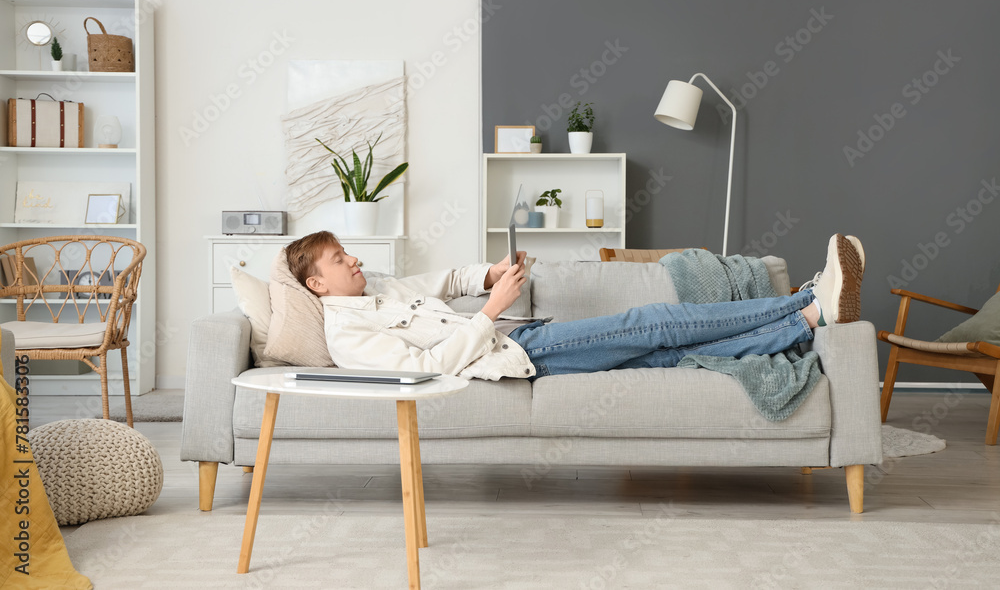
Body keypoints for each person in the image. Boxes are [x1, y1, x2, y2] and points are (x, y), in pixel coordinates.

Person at [284, 232, 865, 381]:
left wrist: (489, 276)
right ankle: (805, 298)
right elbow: (425, 371)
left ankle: (809, 322)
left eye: (348, 254)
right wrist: (489, 314)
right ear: (317, 284)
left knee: (677, 356)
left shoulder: (378, 287)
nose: (353, 261)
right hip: (509, 354)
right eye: (339, 260)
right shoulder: (347, 336)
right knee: (655, 323)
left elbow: (444, 279)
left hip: (515, 335)